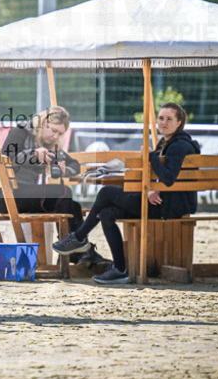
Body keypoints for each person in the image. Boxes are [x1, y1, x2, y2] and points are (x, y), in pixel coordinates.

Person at [52, 102, 201, 285]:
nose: (163, 122)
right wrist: (153, 187)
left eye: (169, 119)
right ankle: (120, 269)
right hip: (166, 201)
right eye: (161, 118)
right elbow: (169, 176)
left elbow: (169, 178)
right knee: (106, 213)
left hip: (169, 206)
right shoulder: (172, 143)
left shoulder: (179, 146)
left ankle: (79, 237)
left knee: (106, 192)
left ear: (179, 123)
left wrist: (150, 157)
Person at [0, 106, 110, 270]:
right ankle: (79, 251)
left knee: (73, 206)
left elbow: (75, 165)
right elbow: (6, 157)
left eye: (60, 134)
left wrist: (64, 169)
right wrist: (33, 154)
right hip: (5, 195)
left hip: (27, 194)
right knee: (63, 192)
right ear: (43, 123)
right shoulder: (20, 132)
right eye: (54, 130)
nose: (55, 136)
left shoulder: (50, 144)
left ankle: (77, 250)